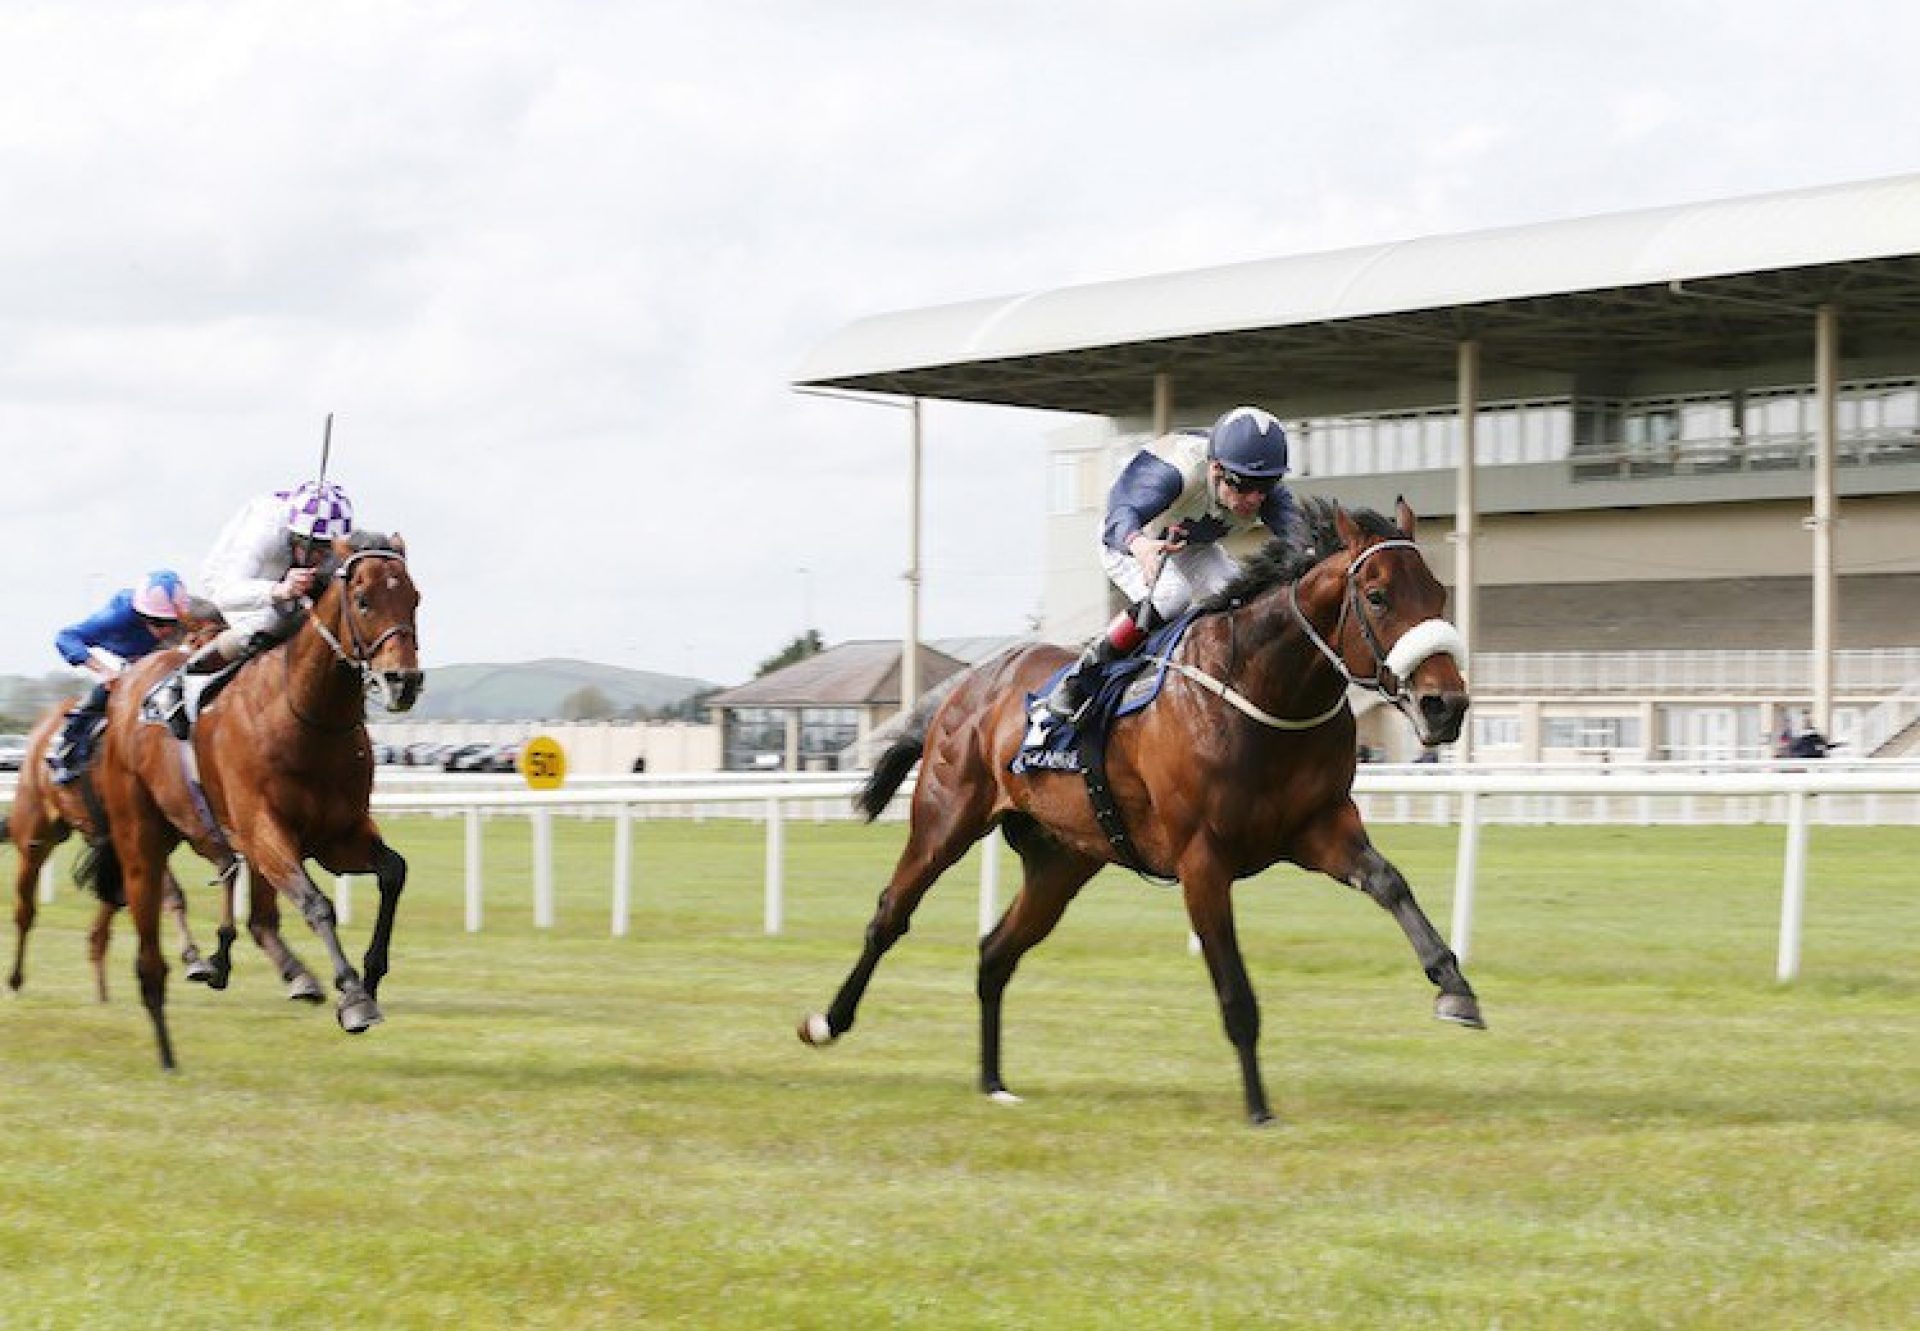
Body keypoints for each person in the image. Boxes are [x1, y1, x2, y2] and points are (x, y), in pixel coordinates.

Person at [1043, 406, 1300, 719]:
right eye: (1244, 485)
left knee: (1239, 596)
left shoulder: (1258, 488)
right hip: (1131, 537)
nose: (1256, 498)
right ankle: (1080, 678)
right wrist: (1140, 546)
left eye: (1267, 485)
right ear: (1217, 469)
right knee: (1172, 595)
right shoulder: (1176, 469)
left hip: (1191, 543)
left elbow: (1305, 541)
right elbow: (1119, 517)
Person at [146, 480, 355, 739]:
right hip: (230, 579)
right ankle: (178, 682)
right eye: (317, 551)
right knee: (269, 620)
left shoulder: (324, 536)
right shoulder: (265, 532)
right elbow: (225, 593)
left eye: (329, 551)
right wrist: (279, 591)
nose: (322, 560)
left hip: (283, 571)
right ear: (296, 537)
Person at [47, 570, 200, 783]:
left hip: (158, 658)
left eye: (171, 623)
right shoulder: (116, 615)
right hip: (116, 658)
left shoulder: (190, 612)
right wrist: (101, 669)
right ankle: (67, 750)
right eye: (157, 623)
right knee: (107, 689)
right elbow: (66, 637)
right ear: (141, 614)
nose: (165, 630)